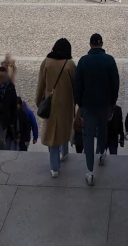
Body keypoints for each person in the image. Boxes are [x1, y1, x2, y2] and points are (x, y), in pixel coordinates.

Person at [73, 32, 120, 186]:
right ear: (101, 44)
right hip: (105, 103)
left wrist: (79, 104)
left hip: (88, 104)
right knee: (103, 128)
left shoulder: (84, 61)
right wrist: (113, 102)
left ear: (90, 44)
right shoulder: (109, 60)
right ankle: (101, 152)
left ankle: (90, 171)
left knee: (88, 135)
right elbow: (115, 83)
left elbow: (77, 85)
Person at [36, 38, 76, 177]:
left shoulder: (46, 62)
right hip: (66, 104)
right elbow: (76, 87)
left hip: (51, 103)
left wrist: (38, 101)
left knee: (52, 135)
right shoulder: (70, 64)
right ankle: (64, 152)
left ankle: (54, 167)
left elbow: (40, 84)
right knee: (64, 128)